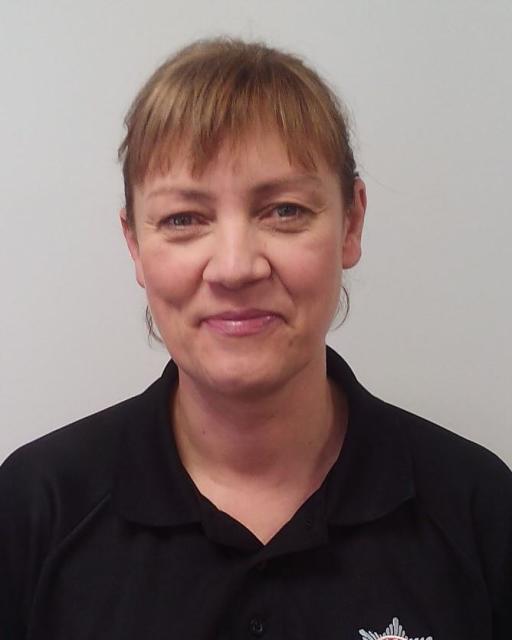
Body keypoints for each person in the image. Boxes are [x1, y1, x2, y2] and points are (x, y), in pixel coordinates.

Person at [1, 37, 511, 640]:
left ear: (351, 223)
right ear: (134, 245)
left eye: (284, 210)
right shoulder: (36, 507)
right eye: (184, 219)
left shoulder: (478, 508)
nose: (236, 266)